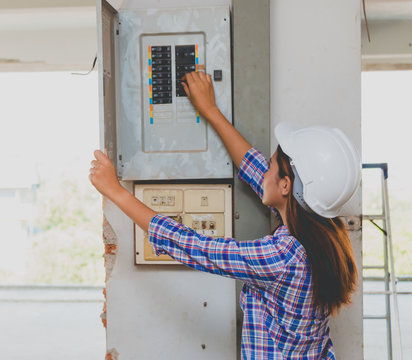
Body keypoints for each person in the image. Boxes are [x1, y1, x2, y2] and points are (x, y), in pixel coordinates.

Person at [89, 71, 360, 359]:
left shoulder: (283, 256)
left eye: (270, 167)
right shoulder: (322, 228)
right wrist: (210, 110)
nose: (263, 171)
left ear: (285, 185)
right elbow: (254, 168)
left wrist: (116, 192)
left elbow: (195, 247)